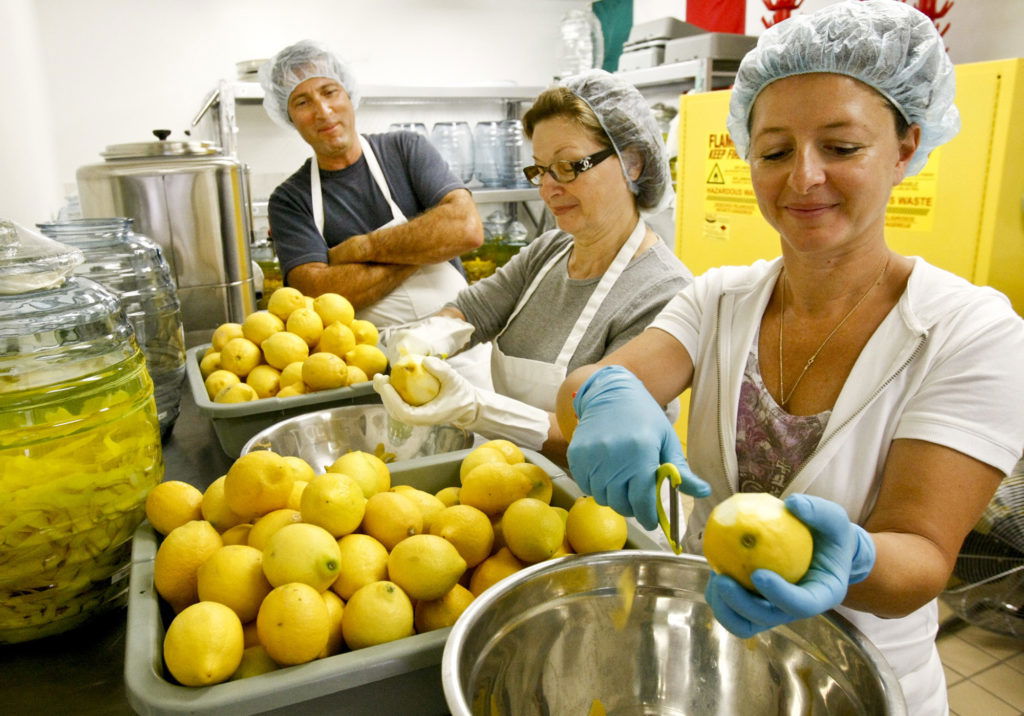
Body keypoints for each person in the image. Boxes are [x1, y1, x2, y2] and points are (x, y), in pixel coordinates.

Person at [554, 2, 1024, 713]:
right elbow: (586, 388)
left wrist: (857, 560)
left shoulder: (971, 332)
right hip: (708, 667)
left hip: (858, 683)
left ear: (905, 148)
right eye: (774, 151)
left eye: (840, 147)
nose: (803, 178)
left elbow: (923, 558)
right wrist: (601, 393)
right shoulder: (718, 301)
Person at [372, 70, 692, 463]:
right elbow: (472, 312)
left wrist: (477, 410)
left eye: (568, 166)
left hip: (606, 508)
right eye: (540, 169)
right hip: (512, 481)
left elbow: (600, 430)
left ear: (633, 163)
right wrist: (427, 338)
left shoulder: (665, 291)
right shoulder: (550, 252)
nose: (547, 188)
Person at [258, 40, 483, 326]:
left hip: (460, 338)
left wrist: (358, 249)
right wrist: (424, 246)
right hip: (367, 360)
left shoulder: (404, 149)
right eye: (302, 102)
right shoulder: (290, 200)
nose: (323, 111)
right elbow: (316, 293)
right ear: (289, 117)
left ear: (349, 95)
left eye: (330, 92)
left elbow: (465, 229)